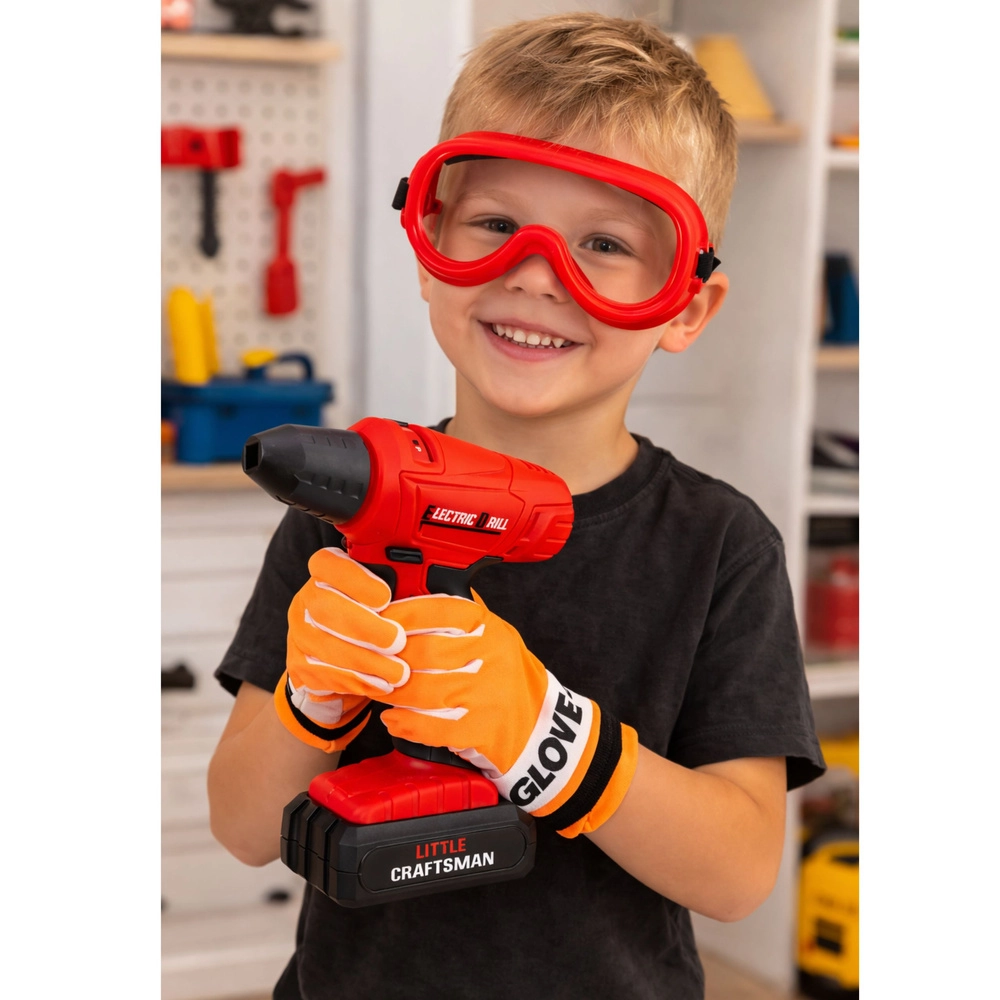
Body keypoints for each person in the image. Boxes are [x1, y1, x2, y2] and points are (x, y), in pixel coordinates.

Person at [207, 12, 825, 1000]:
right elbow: (242, 827)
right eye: (496, 225)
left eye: (604, 244)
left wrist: (547, 736)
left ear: (683, 306)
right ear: (429, 243)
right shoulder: (352, 507)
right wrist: (309, 705)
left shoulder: (719, 544)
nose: (536, 274)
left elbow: (739, 871)